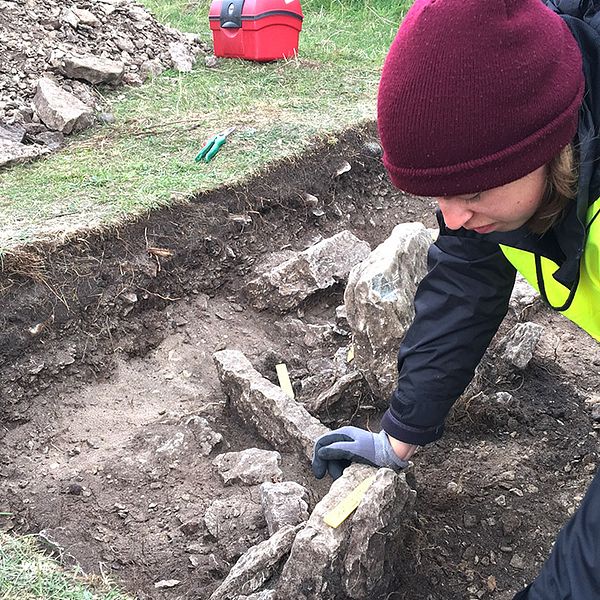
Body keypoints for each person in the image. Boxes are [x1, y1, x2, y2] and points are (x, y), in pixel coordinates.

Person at [311, 0, 600, 598]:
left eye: (469, 191)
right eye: (438, 195)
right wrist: (400, 433)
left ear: (545, 147)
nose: (452, 217)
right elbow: (466, 278)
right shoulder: (510, 155)